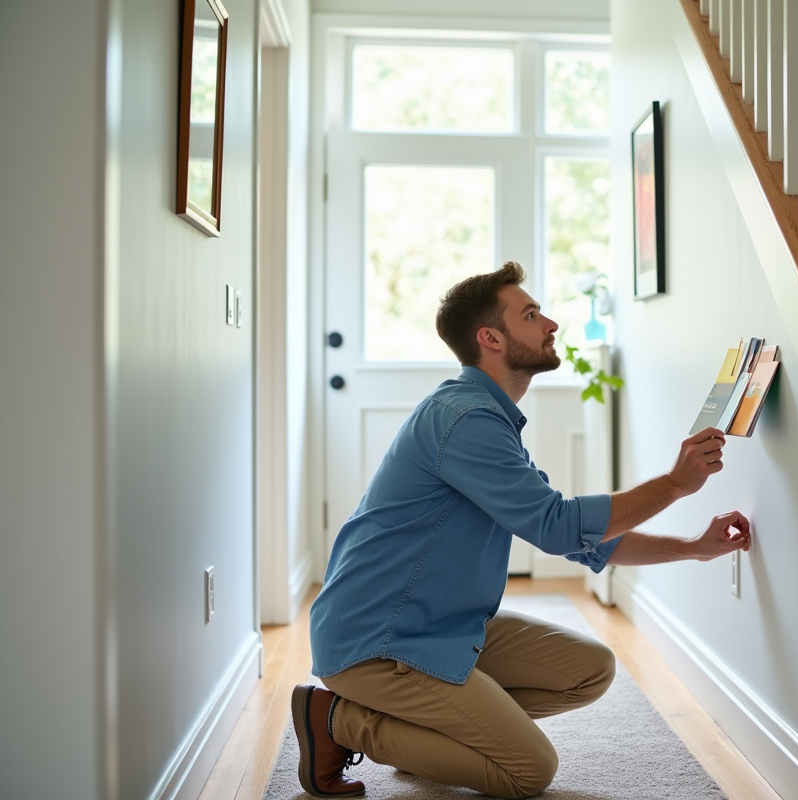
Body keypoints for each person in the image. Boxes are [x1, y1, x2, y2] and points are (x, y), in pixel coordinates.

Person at [292, 261, 751, 799]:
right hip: (377, 640)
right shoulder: (465, 420)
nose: (551, 324)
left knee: (590, 670)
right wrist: (675, 484)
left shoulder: (489, 418)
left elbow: (583, 542)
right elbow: (558, 528)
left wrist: (695, 549)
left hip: (443, 627)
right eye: (531, 314)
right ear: (491, 338)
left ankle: (417, 728)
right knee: (527, 771)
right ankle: (339, 721)